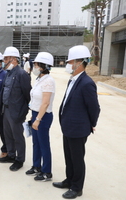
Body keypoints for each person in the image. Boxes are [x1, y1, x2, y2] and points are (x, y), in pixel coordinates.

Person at [52, 45, 100, 199]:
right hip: (68, 126)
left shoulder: (87, 83)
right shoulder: (72, 80)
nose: (68, 64)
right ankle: (69, 180)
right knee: (69, 157)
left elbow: (94, 108)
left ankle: (77, 187)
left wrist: (91, 124)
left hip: (79, 129)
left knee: (77, 159)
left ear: (80, 63)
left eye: (70, 61)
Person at [0, 46, 31, 171]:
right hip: (6, 110)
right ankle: (11, 155)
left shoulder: (22, 74)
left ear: (14, 59)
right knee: (8, 135)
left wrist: (24, 112)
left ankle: (19, 159)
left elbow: (28, 95)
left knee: (18, 136)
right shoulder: (8, 73)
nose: (4, 61)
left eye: (6, 58)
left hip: (16, 112)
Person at [25, 52, 55, 181]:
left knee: (43, 144)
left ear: (42, 66)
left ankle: (46, 172)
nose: (34, 67)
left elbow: (45, 102)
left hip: (43, 116)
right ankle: (36, 166)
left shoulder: (48, 81)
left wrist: (38, 119)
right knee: (36, 143)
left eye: (36, 65)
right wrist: (33, 116)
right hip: (35, 113)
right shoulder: (39, 79)